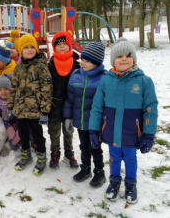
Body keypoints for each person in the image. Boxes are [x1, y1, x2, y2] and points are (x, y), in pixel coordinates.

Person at [88, 38, 158, 203]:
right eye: (119, 56)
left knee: (130, 158)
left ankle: (131, 183)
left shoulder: (144, 81)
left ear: (134, 58)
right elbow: (97, 106)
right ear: (113, 60)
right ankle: (114, 181)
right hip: (111, 132)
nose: (124, 58)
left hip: (131, 133)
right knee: (114, 158)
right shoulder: (106, 80)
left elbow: (150, 109)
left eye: (128, 55)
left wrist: (148, 134)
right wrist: (93, 130)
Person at [7, 34, 53, 175]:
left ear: (36, 49)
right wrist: (11, 106)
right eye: (26, 47)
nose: (29, 50)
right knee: (23, 134)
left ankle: (41, 158)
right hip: (20, 109)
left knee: (37, 135)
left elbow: (47, 89)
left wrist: (44, 111)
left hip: (35, 110)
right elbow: (14, 87)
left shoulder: (41, 67)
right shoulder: (18, 67)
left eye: (32, 47)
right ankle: (26, 156)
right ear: (21, 50)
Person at [63, 41, 107, 188]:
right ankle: (86, 169)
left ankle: (99, 172)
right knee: (83, 146)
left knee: (95, 147)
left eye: (87, 60)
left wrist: (104, 122)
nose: (83, 62)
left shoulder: (104, 79)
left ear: (96, 61)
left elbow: (106, 104)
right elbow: (69, 99)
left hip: (95, 123)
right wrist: (68, 117)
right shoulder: (76, 76)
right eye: (82, 58)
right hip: (81, 121)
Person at [47, 31, 80, 169]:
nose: (61, 47)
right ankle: (55, 152)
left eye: (64, 44)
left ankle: (69, 152)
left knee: (68, 130)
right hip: (54, 104)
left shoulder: (76, 65)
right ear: (54, 47)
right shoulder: (50, 64)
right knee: (54, 131)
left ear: (69, 45)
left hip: (70, 104)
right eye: (58, 44)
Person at [0, 74, 21, 150]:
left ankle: (20, 134)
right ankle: (10, 132)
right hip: (7, 123)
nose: (3, 92)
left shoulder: (15, 99)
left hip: (17, 122)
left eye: (6, 89)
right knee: (13, 146)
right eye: (0, 90)